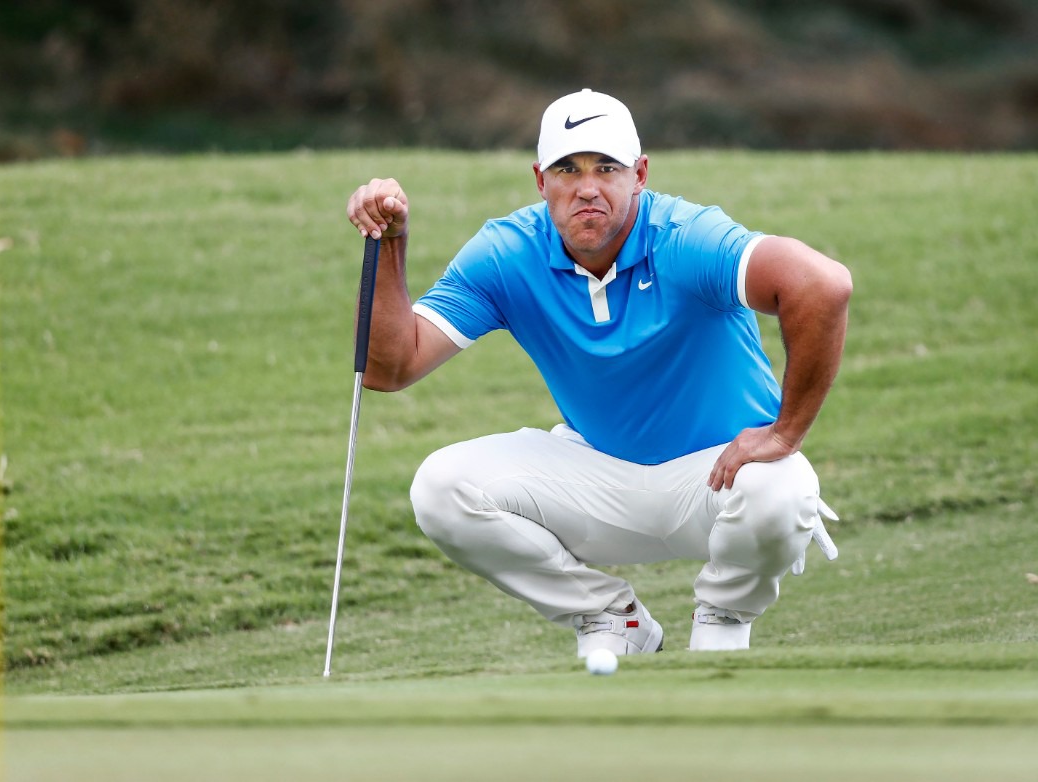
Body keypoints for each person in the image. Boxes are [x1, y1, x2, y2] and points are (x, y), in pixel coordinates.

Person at [345, 89, 852, 656]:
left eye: (606, 167)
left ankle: (724, 618)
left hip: (720, 481)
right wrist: (392, 245)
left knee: (781, 484)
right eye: (567, 169)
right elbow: (389, 368)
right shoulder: (507, 253)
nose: (587, 186)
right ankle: (613, 619)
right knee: (441, 488)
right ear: (541, 181)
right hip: (598, 479)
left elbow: (821, 285)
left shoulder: (686, 238)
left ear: (639, 174)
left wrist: (785, 432)